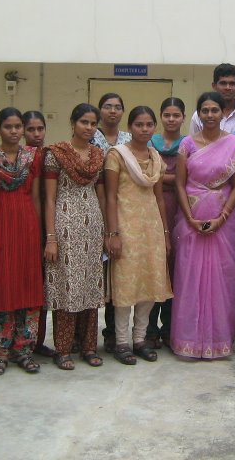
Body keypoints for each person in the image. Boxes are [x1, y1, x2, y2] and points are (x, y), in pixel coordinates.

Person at [172, 92, 235, 358]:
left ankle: (219, 338)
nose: (210, 115)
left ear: (222, 113)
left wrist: (222, 218)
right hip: (191, 218)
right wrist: (190, 218)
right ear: (199, 114)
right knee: (189, 276)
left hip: (223, 220)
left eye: (214, 110)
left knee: (223, 276)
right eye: (205, 110)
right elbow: (179, 183)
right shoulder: (187, 144)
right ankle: (188, 339)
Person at [0, 108, 44, 376]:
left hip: (27, 227)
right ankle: (2, 351)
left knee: (28, 286)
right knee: (2, 286)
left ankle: (24, 350)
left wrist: (41, 235)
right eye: (8, 126)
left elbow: (36, 197)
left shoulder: (32, 157)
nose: (14, 131)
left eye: (18, 126)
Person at [105, 106, 173, 365]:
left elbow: (159, 198)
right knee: (126, 286)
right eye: (139, 125)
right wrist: (113, 233)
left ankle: (140, 340)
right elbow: (111, 197)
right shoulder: (117, 155)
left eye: (149, 125)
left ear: (154, 127)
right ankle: (122, 342)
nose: (144, 129)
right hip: (125, 228)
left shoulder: (156, 157)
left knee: (149, 285)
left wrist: (165, 233)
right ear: (130, 127)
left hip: (151, 230)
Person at [43, 104, 107, 370]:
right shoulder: (56, 154)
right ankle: (63, 349)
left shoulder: (98, 155)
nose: (88, 127)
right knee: (67, 286)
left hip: (92, 224)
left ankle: (88, 347)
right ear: (72, 123)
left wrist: (107, 231)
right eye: (84, 122)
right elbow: (49, 198)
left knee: (90, 286)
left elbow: (101, 195)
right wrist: (51, 238)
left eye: (93, 123)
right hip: (65, 223)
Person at [91, 92, 131, 353]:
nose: (112, 111)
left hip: (122, 210)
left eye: (117, 107)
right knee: (95, 274)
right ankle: (84, 335)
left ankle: (113, 332)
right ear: (100, 110)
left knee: (116, 273)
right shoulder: (89, 135)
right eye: (107, 106)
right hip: (92, 207)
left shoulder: (129, 139)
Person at [145, 98, 187, 349]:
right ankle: (149, 329)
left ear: (183, 118)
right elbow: (146, 177)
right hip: (151, 208)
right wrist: (174, 178)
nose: (171, 119)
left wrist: (161, 177)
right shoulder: (150, 144)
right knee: (154, 267)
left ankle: (171, 327)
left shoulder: (189, 144)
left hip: (180, 210)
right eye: (167, 115)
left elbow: (189, 178)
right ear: (161, 117)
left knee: (175, 269)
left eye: (176, 115)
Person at [22, 110, 56, 359]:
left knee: (44, 286)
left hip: (52, 225)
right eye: (31, 129)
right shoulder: (20, 157)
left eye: (40, 129)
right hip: (26, 224)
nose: (36, 134)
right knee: (28, 283)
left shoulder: (50, 156)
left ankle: (38, 340)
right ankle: (21, 340)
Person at [189, 63, 235, 134]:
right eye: (223, 83)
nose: (227, 88)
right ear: (214, 86)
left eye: (232, 84)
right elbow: (194, 140)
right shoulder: (199, 116)